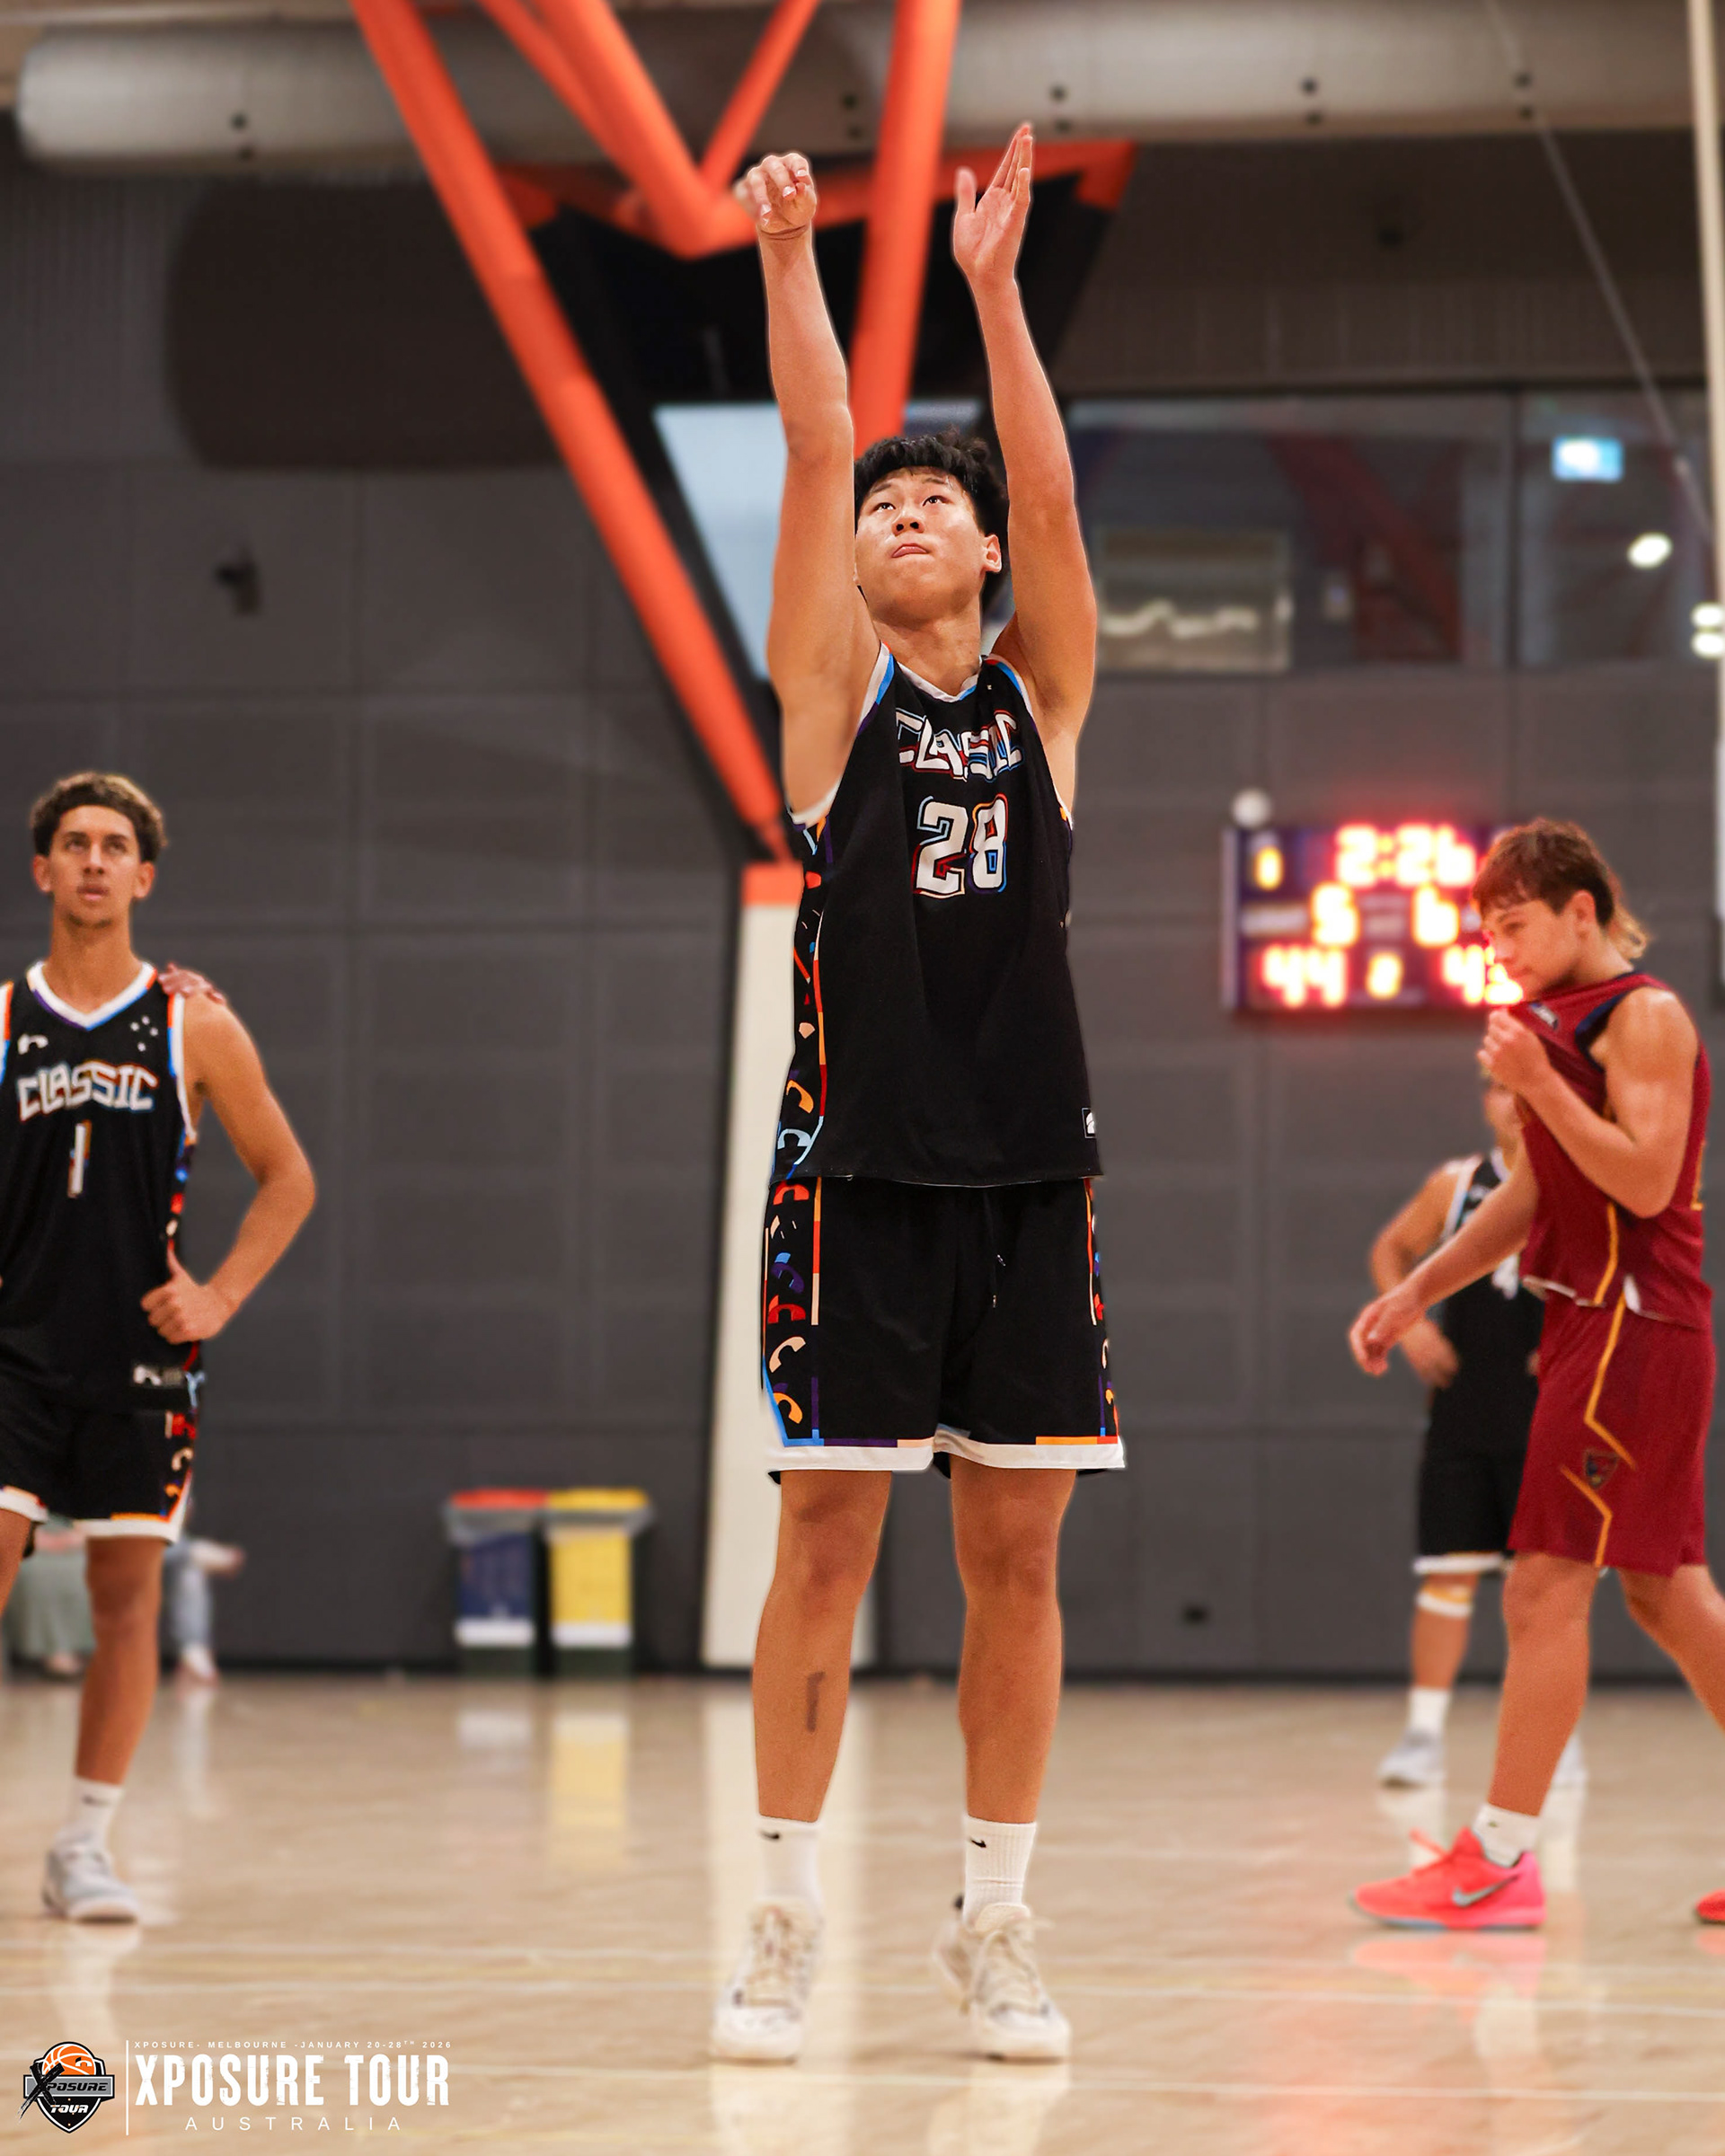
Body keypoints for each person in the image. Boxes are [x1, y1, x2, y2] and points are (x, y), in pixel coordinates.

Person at [711, 128, 1119, 2064]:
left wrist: (995, 289)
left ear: (982, 554)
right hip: (855, 1179)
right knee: (827, 1549)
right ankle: (783, 1919)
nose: (899, 516)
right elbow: (814, 445)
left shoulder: (1043, 702)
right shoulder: (832, 701)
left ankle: (998, 1923)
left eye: (931, 503)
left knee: (1017, 1560)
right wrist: (792, 257)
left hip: (1031, 1183)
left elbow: (1049, 484)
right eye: (885, 509)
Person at [1348, 819, 1724, 1930]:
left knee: (1543, 1584)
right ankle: (1501, 1861)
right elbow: (1532, 1196)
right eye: (1489, 933)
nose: (1499, 950)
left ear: (1580, 911)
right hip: (1598, 1327)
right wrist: (1416, 1290)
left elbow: (1647, 1183)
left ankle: (1500, 1863)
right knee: (1667, 1595)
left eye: (1513, 927)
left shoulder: (1642, 1016)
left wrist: (1538, 1087)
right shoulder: (1556, 1023)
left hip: (1628, 1325)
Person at [0, 773, 314, 1922]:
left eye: (114, 845)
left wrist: (219, 1295)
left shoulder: (195, 1023)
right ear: (43, 869)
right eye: (74, 842)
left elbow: (288, 1178)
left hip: (139, 1359)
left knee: (126, 1601)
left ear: (143, 877)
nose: (93, 860)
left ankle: (82, 1846)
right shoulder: (4, 1020)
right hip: (13, 1352)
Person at [1371, 1076, 1583, 1795]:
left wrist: (1575, 1340)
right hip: (1464, 1407)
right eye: (1496, 1087)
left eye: (1522, 1087)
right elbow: (1392, 1249)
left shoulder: (1581, 1180)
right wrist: (1410, 1325)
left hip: (1549, 1412)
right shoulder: (1457, 1183)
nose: (1509, 1101)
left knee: (1547, 1589)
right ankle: (1423, 1738)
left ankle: (1557, 1742)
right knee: (1447, 1576)